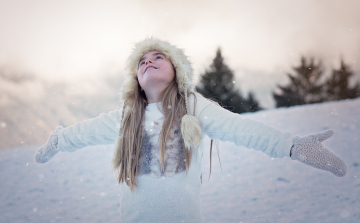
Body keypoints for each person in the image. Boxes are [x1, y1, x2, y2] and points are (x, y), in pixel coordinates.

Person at [35, 38, 347, 223]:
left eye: (159, 57)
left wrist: (291, 145)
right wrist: (59, 139)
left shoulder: (193, 107)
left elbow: (239, 128)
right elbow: (85, 132)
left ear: (177, 72)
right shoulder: (127, 117)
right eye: (142, 61)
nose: (149, 61)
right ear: (135, 78)